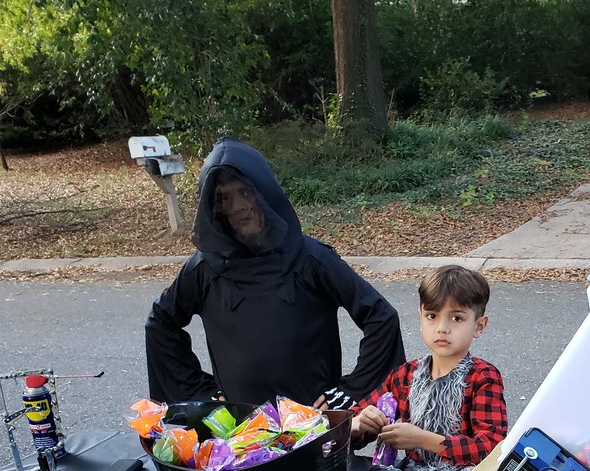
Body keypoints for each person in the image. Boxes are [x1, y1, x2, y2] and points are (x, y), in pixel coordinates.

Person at [145, 136, 405, 409]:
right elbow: (161, 324)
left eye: (245, 192)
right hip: (239, 433)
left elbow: (381, 318)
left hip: (312, 427)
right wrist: (199, 392)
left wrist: (349, 393)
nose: (238, 206)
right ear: (213, 207)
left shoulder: (312, 259)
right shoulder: (204, 269)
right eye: (224, 198)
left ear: (264, 191)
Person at [350, 265, 507, 471]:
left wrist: (424, 440)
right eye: (432, 316)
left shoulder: (482, 377)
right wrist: (360, 424)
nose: (442, 328)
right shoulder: (404, 375)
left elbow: (492, 448)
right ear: (421, 318)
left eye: (456, 318)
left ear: (478, 326)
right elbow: (350, 424)